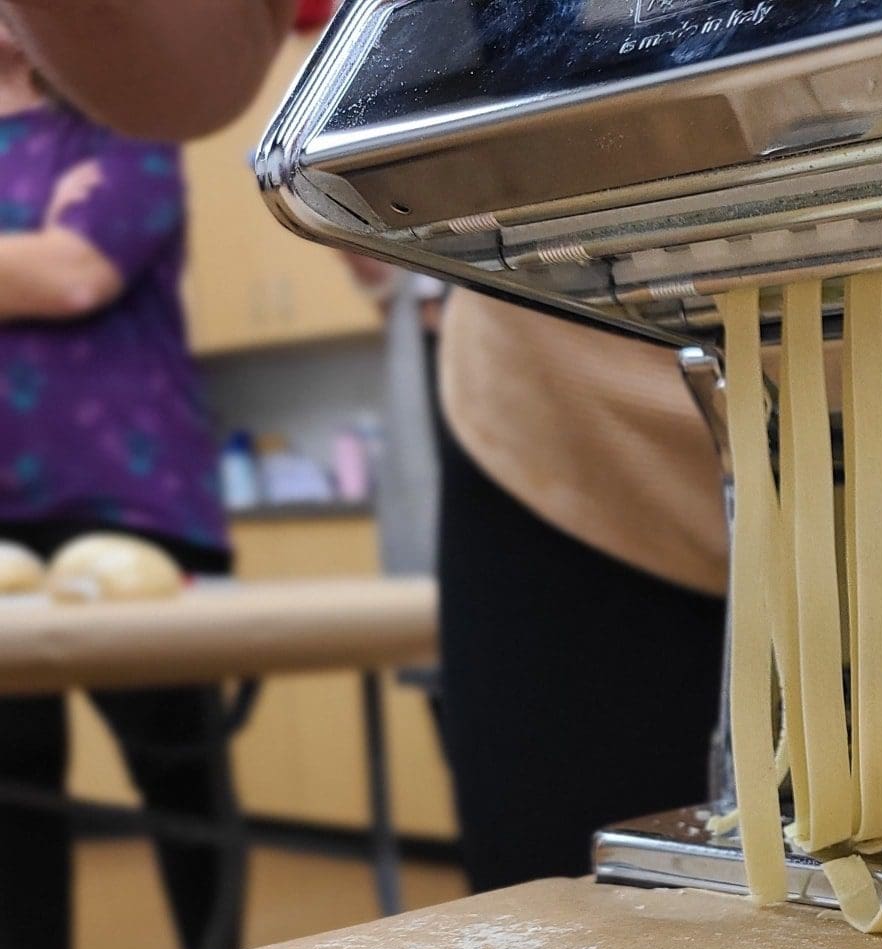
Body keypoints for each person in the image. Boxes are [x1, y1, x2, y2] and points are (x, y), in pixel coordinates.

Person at [8, 1, 730, 895]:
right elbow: (181, 63)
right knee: (591, 948)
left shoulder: (104, 167)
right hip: (572, 436)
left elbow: (77, 271)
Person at [0, 19, 240, 949]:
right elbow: (46, 260)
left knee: (176, 765)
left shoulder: (124, 115)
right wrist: (38, 247)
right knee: (11, 781)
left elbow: (75, 273)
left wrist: (48, 259)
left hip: (131, 488)